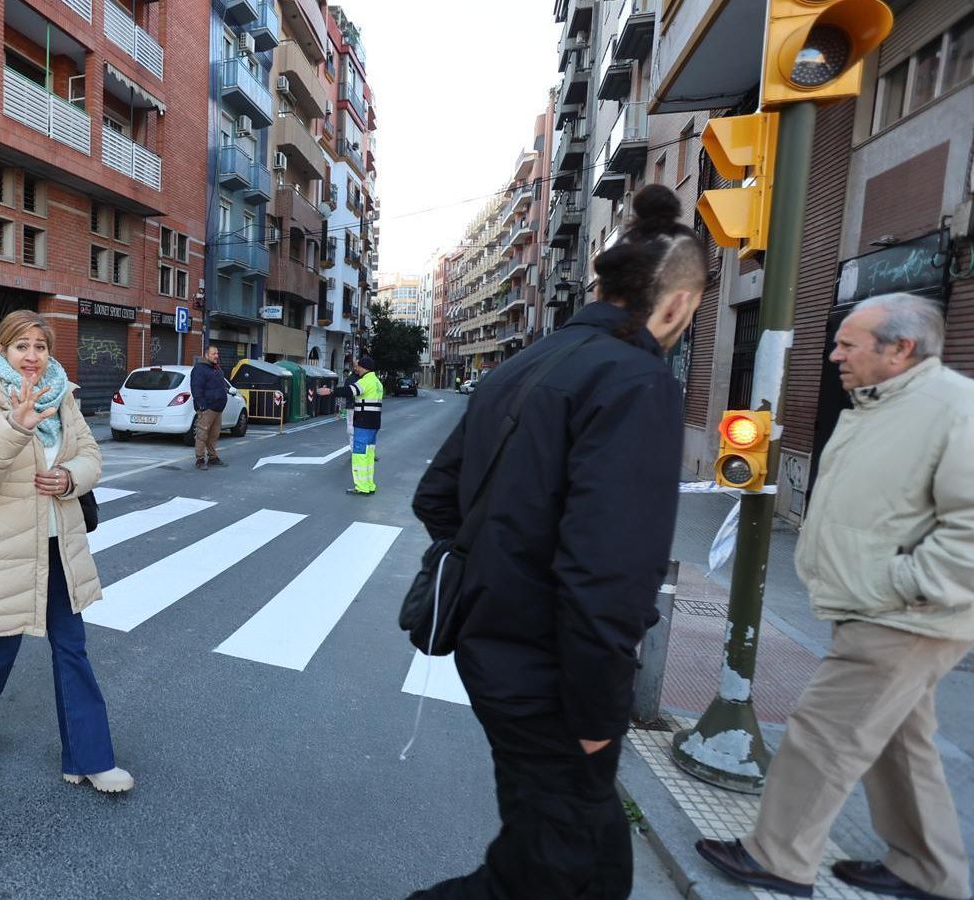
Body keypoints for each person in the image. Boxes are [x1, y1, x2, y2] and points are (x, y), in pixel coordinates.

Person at [406, 184, 707, 899]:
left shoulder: (518, 367)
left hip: (493, 652)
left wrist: (496, 572)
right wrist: (601, 715)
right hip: (554, 679)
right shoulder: (636, 381)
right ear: (676, 306)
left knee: (575, 865)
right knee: (562, 878)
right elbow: (608, 570)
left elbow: (435, 496)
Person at [697, 293, 974, 900]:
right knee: (902, 743)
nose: (833, 355)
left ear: (900, 349)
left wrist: (903, 587)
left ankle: (779, 857)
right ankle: (930, 870)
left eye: (849, 344)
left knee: (824, 731)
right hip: (884, 608)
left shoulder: (953, 410)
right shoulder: (886, 406)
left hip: (903, 616)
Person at [0, 310, 133, 793]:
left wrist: (70, 478)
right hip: (5, 547)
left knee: (72, 648)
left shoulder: (64, 398)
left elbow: (91, 455)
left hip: (60, 544)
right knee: (0, 643)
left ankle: (89, 758)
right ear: (1, 350)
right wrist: (15, 425)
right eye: (21, 345)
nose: (32, 356)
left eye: (40, 346)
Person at [316, 355, 384, 494]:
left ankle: (361, 487)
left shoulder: (366, 381)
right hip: (374, 423)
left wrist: (330, 391)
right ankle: (369, 485)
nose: (356, 368)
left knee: (359, 454)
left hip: (363, 423)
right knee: (369, 455)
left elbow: (349, 391)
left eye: (358, 366)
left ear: (364, 367)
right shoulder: (377, 382)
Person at [189, 345, 229, 469]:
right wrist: (203, 406)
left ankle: (212, 457)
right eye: (213, 354)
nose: (216, 356)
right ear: (206, 355)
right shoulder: (199, 369)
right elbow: (196, 389)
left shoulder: (216, 368)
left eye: (217, 353)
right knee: (202, 435)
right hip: (207, 408)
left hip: (218, 408)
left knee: (214, 435)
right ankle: (200, 460)